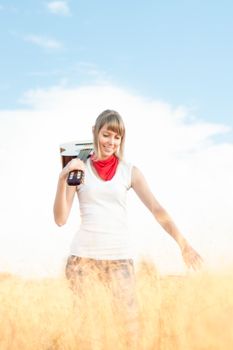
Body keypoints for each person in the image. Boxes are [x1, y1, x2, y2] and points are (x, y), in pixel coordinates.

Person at [53, 109, 202, 348]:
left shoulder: (129, 171)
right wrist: (62, 180)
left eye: (117, 137)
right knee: (89, 333)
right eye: (106, 134)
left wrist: (183, 245)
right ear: (95, 132)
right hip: (82, 261)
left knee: (130, 332)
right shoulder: (79, 167)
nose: (111, 142)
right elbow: (60, 218)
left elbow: (157, 209)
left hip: (119, 260)